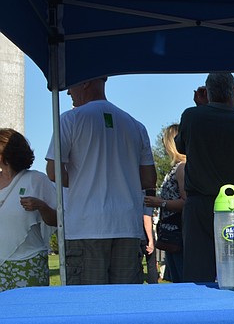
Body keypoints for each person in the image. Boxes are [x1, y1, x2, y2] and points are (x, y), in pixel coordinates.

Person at [46, 77, 157, 285]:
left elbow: (54, 172)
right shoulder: (136, 125)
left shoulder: (70, 119)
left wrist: (84, 181)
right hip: (127, 226)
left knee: (87, 305)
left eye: (71, 85)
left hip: (86, 226)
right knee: (125, 305)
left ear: (85, 82)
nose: (69, 93)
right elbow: (149, 179)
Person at [176, 72, 234, 283]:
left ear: (207, 93)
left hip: (199, 205)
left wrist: (201, 107)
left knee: (197, 277)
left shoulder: (191, 117)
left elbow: (181, 147)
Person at [0, 129, 57, 291]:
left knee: (29, 310)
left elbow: (58, 220)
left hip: (29, 262)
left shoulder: (36, 180)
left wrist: (41, 206)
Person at [145, 124, 187, 283]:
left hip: (177, 234)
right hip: (172, 234)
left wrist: (160, 203)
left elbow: (185, 201)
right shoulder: (177, 168)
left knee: (181, 278)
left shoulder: (181, 168)